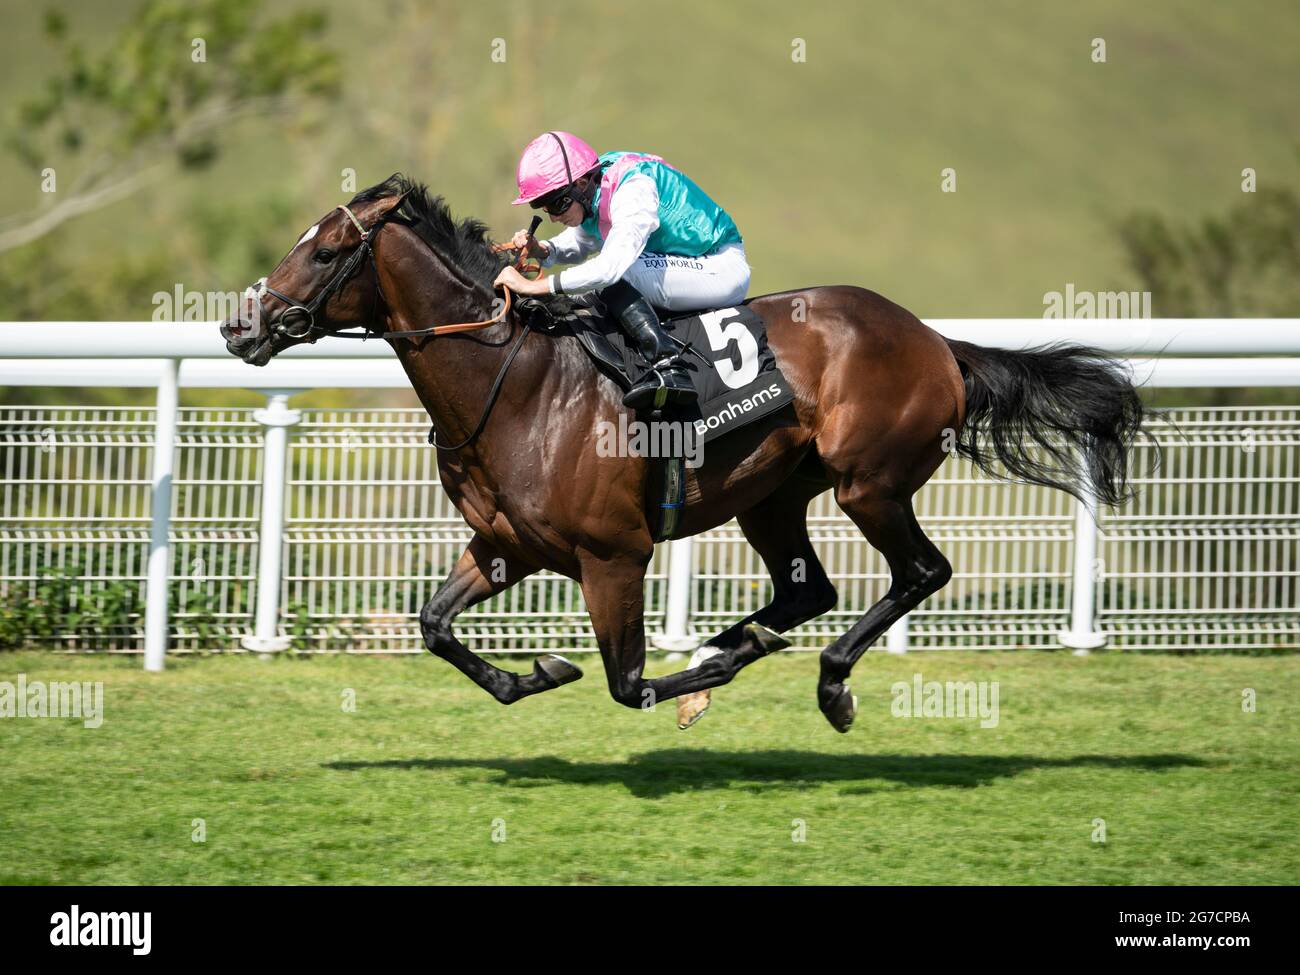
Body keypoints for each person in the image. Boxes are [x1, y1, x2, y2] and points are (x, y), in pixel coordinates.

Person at [493, 131, 751, 410]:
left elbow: (610, 268)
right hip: (679, 263)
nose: (554, 217)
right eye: (544, 208)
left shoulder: (633, 189)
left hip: (719, 264)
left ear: (581, 183)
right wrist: (542, 251)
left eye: (558, 203)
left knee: (619, 275)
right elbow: (584, 238)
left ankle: (669, 368)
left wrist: (532, 287)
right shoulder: (596, 186)